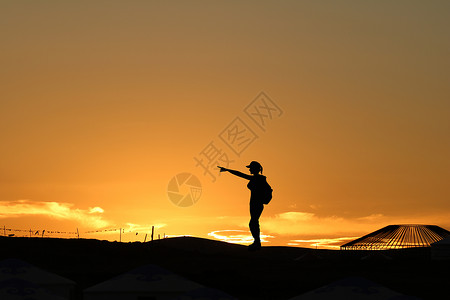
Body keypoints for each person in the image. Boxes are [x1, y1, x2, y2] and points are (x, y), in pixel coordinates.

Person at [218, 161, 268, 251]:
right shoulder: (257, 178)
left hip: (257, 204)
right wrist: (228, 170)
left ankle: (257, 243)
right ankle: (257, 242)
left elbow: (240, 174)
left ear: (255, 169)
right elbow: (241, 175)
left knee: (253, 222)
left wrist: (227, 170)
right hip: (254, 203)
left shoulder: (258, 179)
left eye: (251, 168)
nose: (249, 169)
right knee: (253, 222)